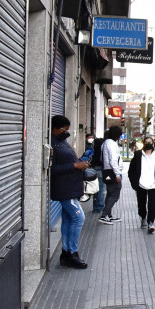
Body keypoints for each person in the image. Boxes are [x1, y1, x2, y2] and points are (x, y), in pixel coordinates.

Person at [50, 115, 89, 269]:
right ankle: (72, 253)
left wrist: (79, 163)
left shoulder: (61, 142)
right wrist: (75, 166)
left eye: (67, 129)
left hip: (70, 187)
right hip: (64, 189)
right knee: (78, 218)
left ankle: (66, 253)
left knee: (68, 219)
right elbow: (51, 169)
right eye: (63, 129)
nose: (66, 132)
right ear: (55, 128)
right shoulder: (52, 144)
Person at [128, 136, 155, 233]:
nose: (148, 144)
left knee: (151, 204)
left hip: (153, 185)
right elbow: (131, 170)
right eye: (146, 142)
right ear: (143, 143)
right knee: (141, 204)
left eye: (150, 142)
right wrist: (134, 183)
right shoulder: (138, 155)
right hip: (141, 184)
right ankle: (143, 218)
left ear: (153, 143)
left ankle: (151, 222)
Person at [100, 125, 124, 224]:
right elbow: (113, 160)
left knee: (110, 194)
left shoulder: (106, 143)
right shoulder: (111, 144)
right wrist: (117, 174)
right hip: (112, 171)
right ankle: (104, 215)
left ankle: (109, 215)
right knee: (115, 194)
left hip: (107, 171)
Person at [89, 137, 107, 214]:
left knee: (96, 189)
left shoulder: (94, 151)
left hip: (95, 169)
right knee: (101, 189)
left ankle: (96, 206)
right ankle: (99, 207)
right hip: (100, 170)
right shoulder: (102, 152)